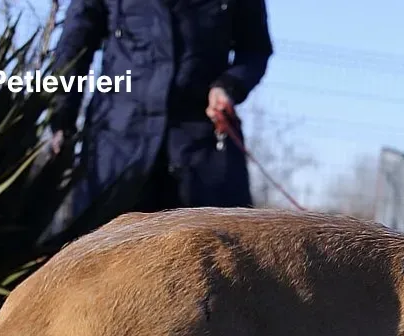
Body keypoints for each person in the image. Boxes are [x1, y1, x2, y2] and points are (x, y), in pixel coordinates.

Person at [46, 0, 272, 239]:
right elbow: (75, 44)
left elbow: (255, 49)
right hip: (116, 147)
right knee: (98, 260)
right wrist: (62, 120)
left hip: (203, 149)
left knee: (224, 256)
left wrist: (229, 86)